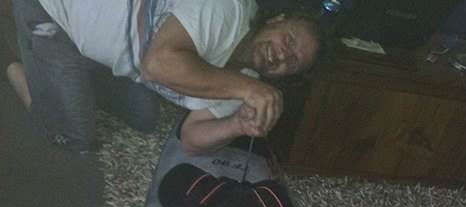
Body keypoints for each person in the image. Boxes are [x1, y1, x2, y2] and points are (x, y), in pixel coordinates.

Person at [8, 0, 323, 153]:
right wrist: (247, 88)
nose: (282, 55)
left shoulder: (246, 82)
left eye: (293, 62)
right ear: (277, 19)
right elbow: (157, 66)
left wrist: (237, 125)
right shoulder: (228, 9)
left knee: (145, 116)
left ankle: (67, 69)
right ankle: (10, 63)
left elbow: (191, 139)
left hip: (99, 40)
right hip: (54, 11)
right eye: (289, 40)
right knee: (77, 138)